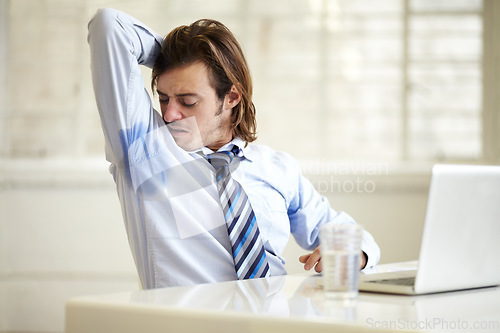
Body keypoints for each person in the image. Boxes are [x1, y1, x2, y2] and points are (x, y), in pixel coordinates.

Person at [87, 8, 380, 289]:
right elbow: (109, 27)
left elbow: (343, 231)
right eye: (163, 98)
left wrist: (354, 253)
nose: (169, 115)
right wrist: (173, 52)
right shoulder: (145, 151)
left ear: (231, 97)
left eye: (188, 100)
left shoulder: (276, 168)